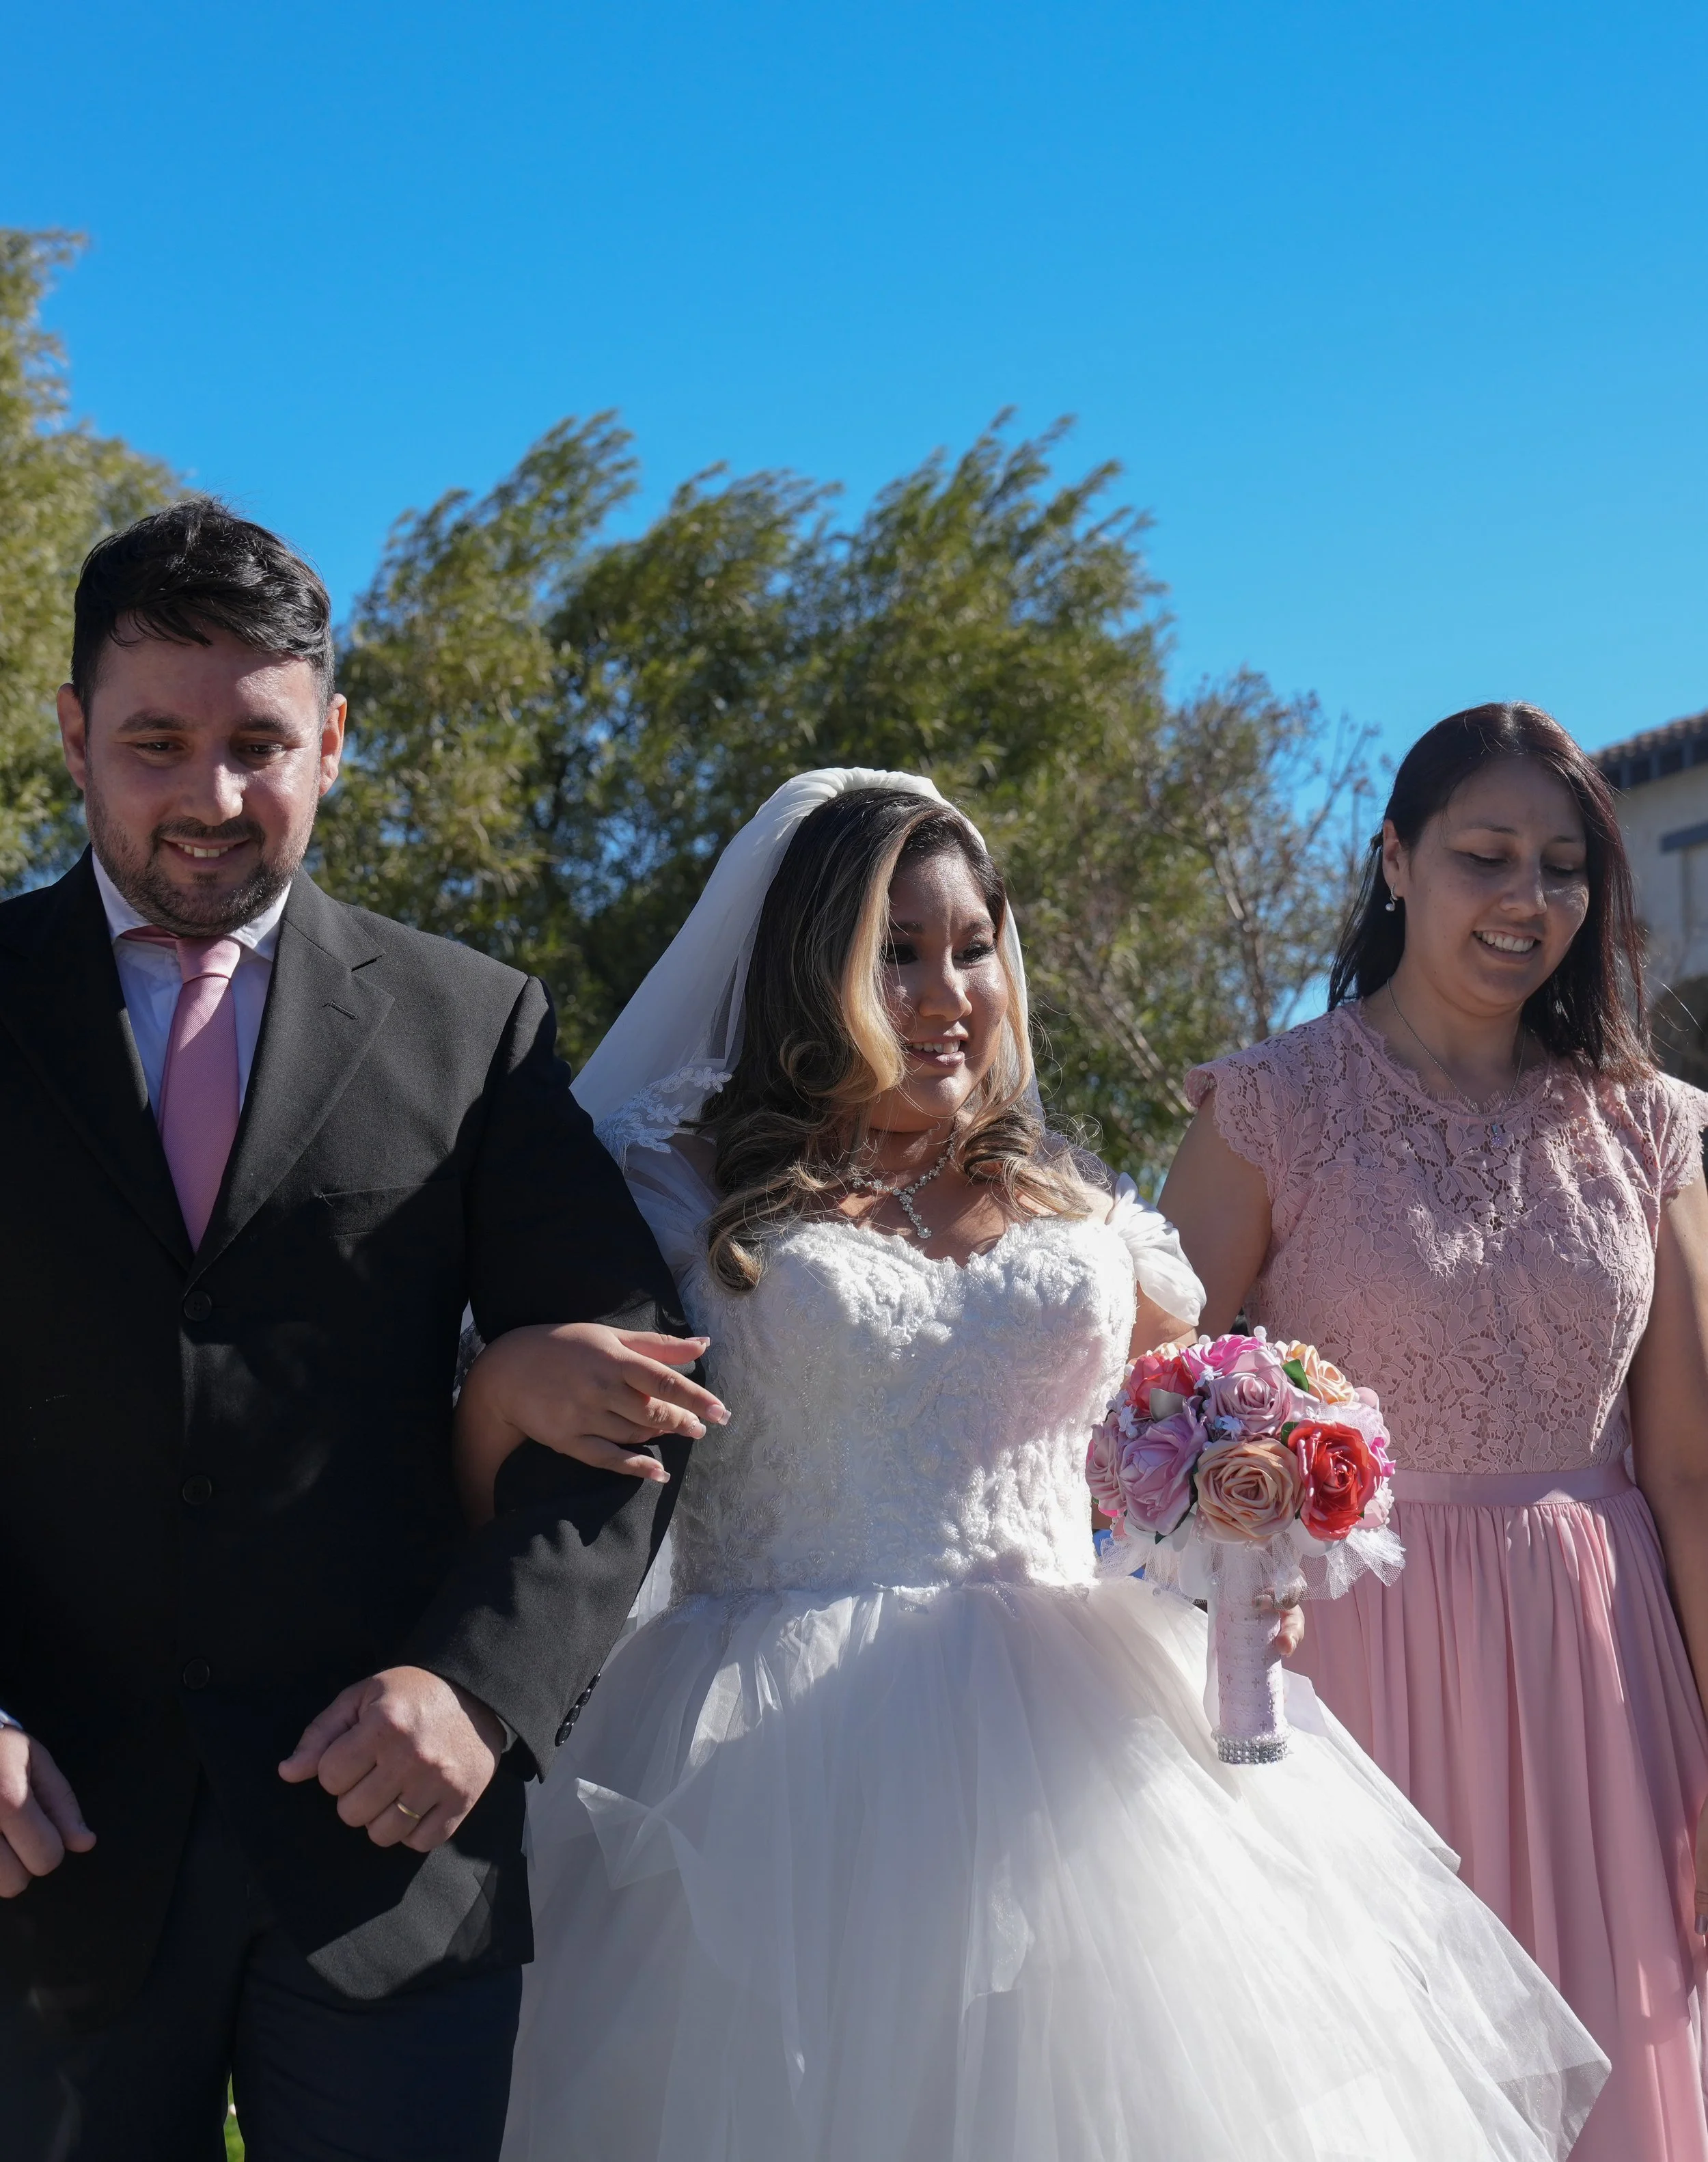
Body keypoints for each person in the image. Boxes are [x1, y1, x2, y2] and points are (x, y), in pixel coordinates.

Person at [480, 767, 1606, 2162]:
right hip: (775, 1761)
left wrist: (1245, 1537)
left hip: (1082, 1730)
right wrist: (505, 1382)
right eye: (895, 953)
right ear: (808, 970)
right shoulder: (680, 1183)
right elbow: (548, 1437)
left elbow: (1184, 1424)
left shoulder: (1071, 1199)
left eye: (972, 947)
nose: (947, 992)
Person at [0, 500, 721, 2162]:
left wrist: (481, 1688)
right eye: (157, 743)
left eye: (259, 745)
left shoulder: (476, 1028)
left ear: (331, 742)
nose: (211, 796)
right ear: (74, 734)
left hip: (392, 1856)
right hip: (40, 1859)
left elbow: (639, 1392)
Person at [1161, 702, 1708, 2162]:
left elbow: (1688, 1470)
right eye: (1485, 855)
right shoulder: (1267, 1109)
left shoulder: (1647, 1126)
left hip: (1602, 1675)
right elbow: (1149, 1418)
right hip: (1352, 1672)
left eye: (1563, 868)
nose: (1528, 898)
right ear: (1396, 860)